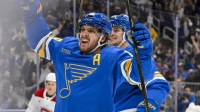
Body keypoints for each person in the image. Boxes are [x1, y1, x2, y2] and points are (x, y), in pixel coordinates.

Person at [19, 0, 169, 111]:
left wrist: (143, 53)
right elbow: (41, 41)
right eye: (83, 29)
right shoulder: (67, 47)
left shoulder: (117, 56)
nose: (84, 33)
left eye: (91, 31)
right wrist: (32, 17)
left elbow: (146, 79)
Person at [109, 14, 170, 112]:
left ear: (127, 33)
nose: (111, 33)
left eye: (116, 30)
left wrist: (147, 106)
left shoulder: (133, 54)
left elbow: (159, 84)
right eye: (109, 30)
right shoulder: (112, 55)